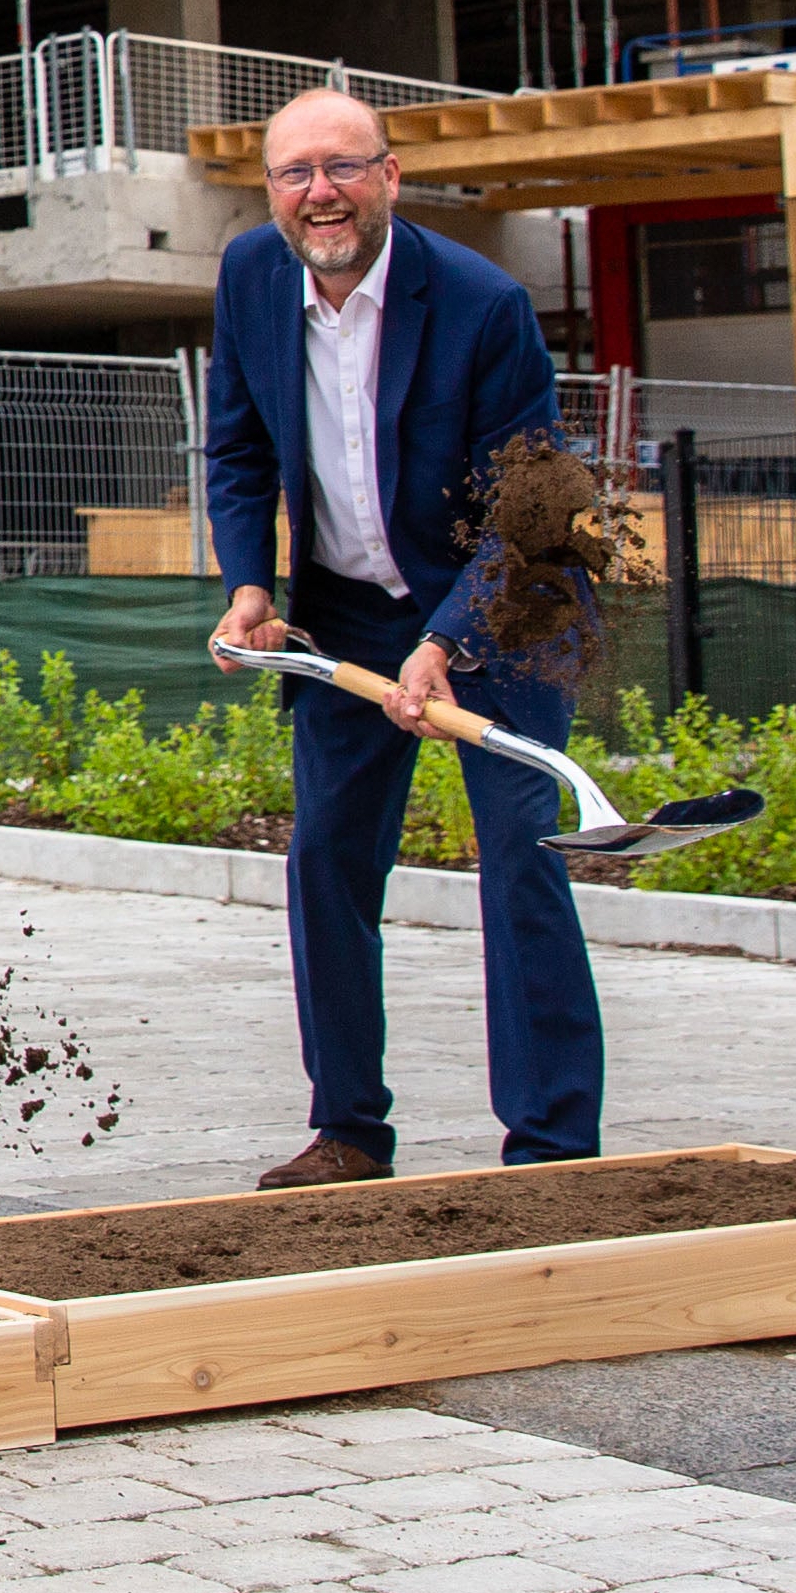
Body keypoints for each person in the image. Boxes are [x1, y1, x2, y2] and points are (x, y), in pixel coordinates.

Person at [204, 82, 605, 1186]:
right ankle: (348, 1131)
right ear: (272, 193)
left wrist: (444, 644)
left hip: (503, 603)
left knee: (522, 857)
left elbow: (530, 508)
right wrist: (249, 588)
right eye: (295, 174)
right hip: (342, 611)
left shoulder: (481, 303)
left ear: (389, 177)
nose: (318, 194)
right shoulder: (248, 278)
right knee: (328, 858)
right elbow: (237, 454)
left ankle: (553, 1147)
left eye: (341, 168)